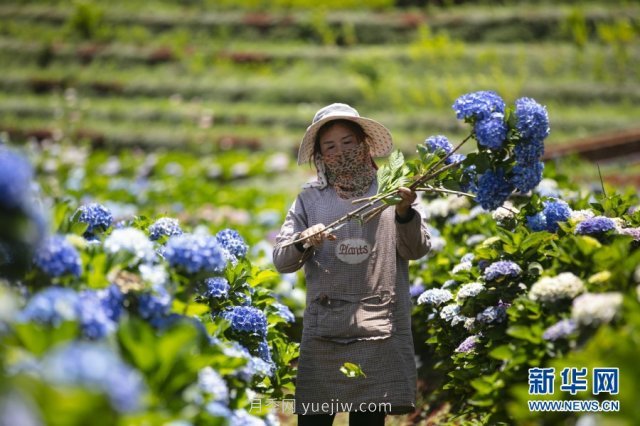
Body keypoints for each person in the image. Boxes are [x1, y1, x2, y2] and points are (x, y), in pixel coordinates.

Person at [273, 103, 431, 426]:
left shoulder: (391, 192)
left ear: (364, 144)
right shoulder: (310, 199)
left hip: (377, 328)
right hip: (325, 332)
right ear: (320, 155)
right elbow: (281, 259)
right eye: (330, 146)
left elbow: (416, 248)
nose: (340, 152)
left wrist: (404, 212)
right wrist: (304, 240)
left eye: (348, 142)